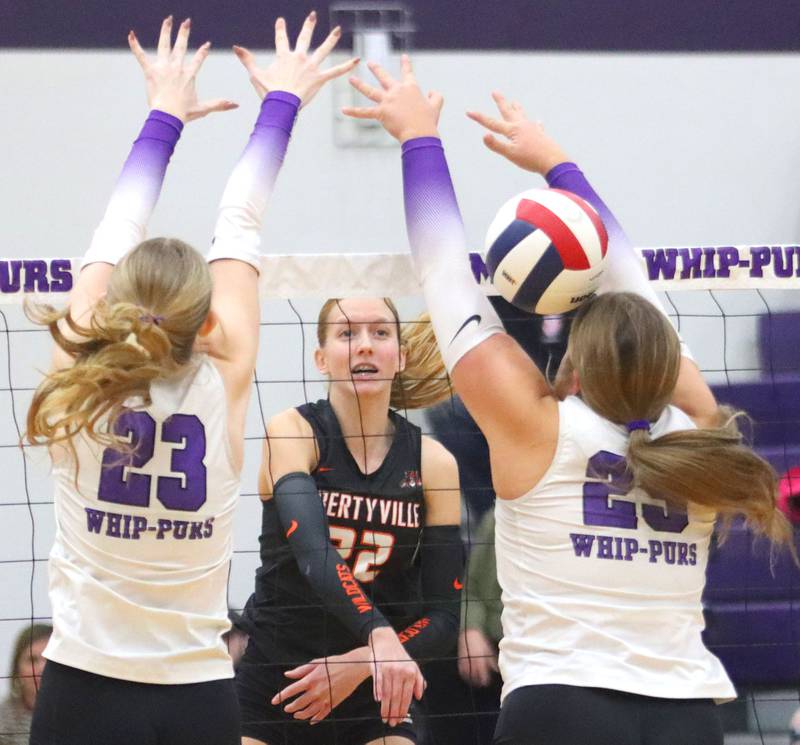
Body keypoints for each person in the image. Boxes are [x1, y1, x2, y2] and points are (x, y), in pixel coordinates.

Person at [344, 58, 794, 745]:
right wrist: (558, 163)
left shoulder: (538, 427)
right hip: (686, 717)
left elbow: (441, 264)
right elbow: (637, 287)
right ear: (668, 359)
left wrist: (419, 138)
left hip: (562, 710)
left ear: (576, 360)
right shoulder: (703, 436)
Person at [24, 13, 354, 744]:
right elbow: (240, 218)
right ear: (206, 323)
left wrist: (164, 114)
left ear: (112, 306)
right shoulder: (225, 377)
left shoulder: (78, 372)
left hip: (80, 687)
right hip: (194, 696)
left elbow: (115, 228)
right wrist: (282, 100)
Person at [236, 296, 463, 745]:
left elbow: (444, 616)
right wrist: (379, 635)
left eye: (380, 333)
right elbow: (313, 551)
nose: (364, 346)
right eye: (347, 334)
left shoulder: (433, 462)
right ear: (321, 358)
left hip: (375, 685)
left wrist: (366, 659)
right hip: (278, 679)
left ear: (401, 356)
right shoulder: (294, 432)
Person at [0, 624, 51, 745]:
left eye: (50, 659)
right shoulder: (2, 720)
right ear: (17, 670)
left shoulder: (84, 715)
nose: (42, 668)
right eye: (32, 660)